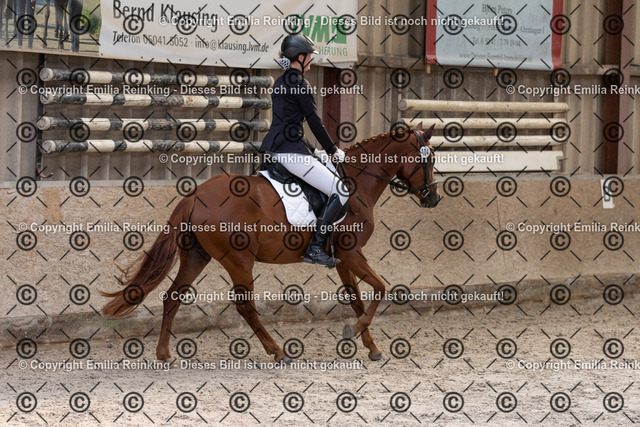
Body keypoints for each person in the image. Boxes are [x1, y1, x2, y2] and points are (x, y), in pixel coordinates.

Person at [260, 34, 348, 268]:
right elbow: (314, 122)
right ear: (300, 57)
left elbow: (289, 124)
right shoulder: (300, 84)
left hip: (274, 149)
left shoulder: (280, 82)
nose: (311, 60)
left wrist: (313, 150)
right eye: (309, 56)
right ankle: (315, 248)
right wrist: (332, 150)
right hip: (291, 153)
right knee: (341, 192)